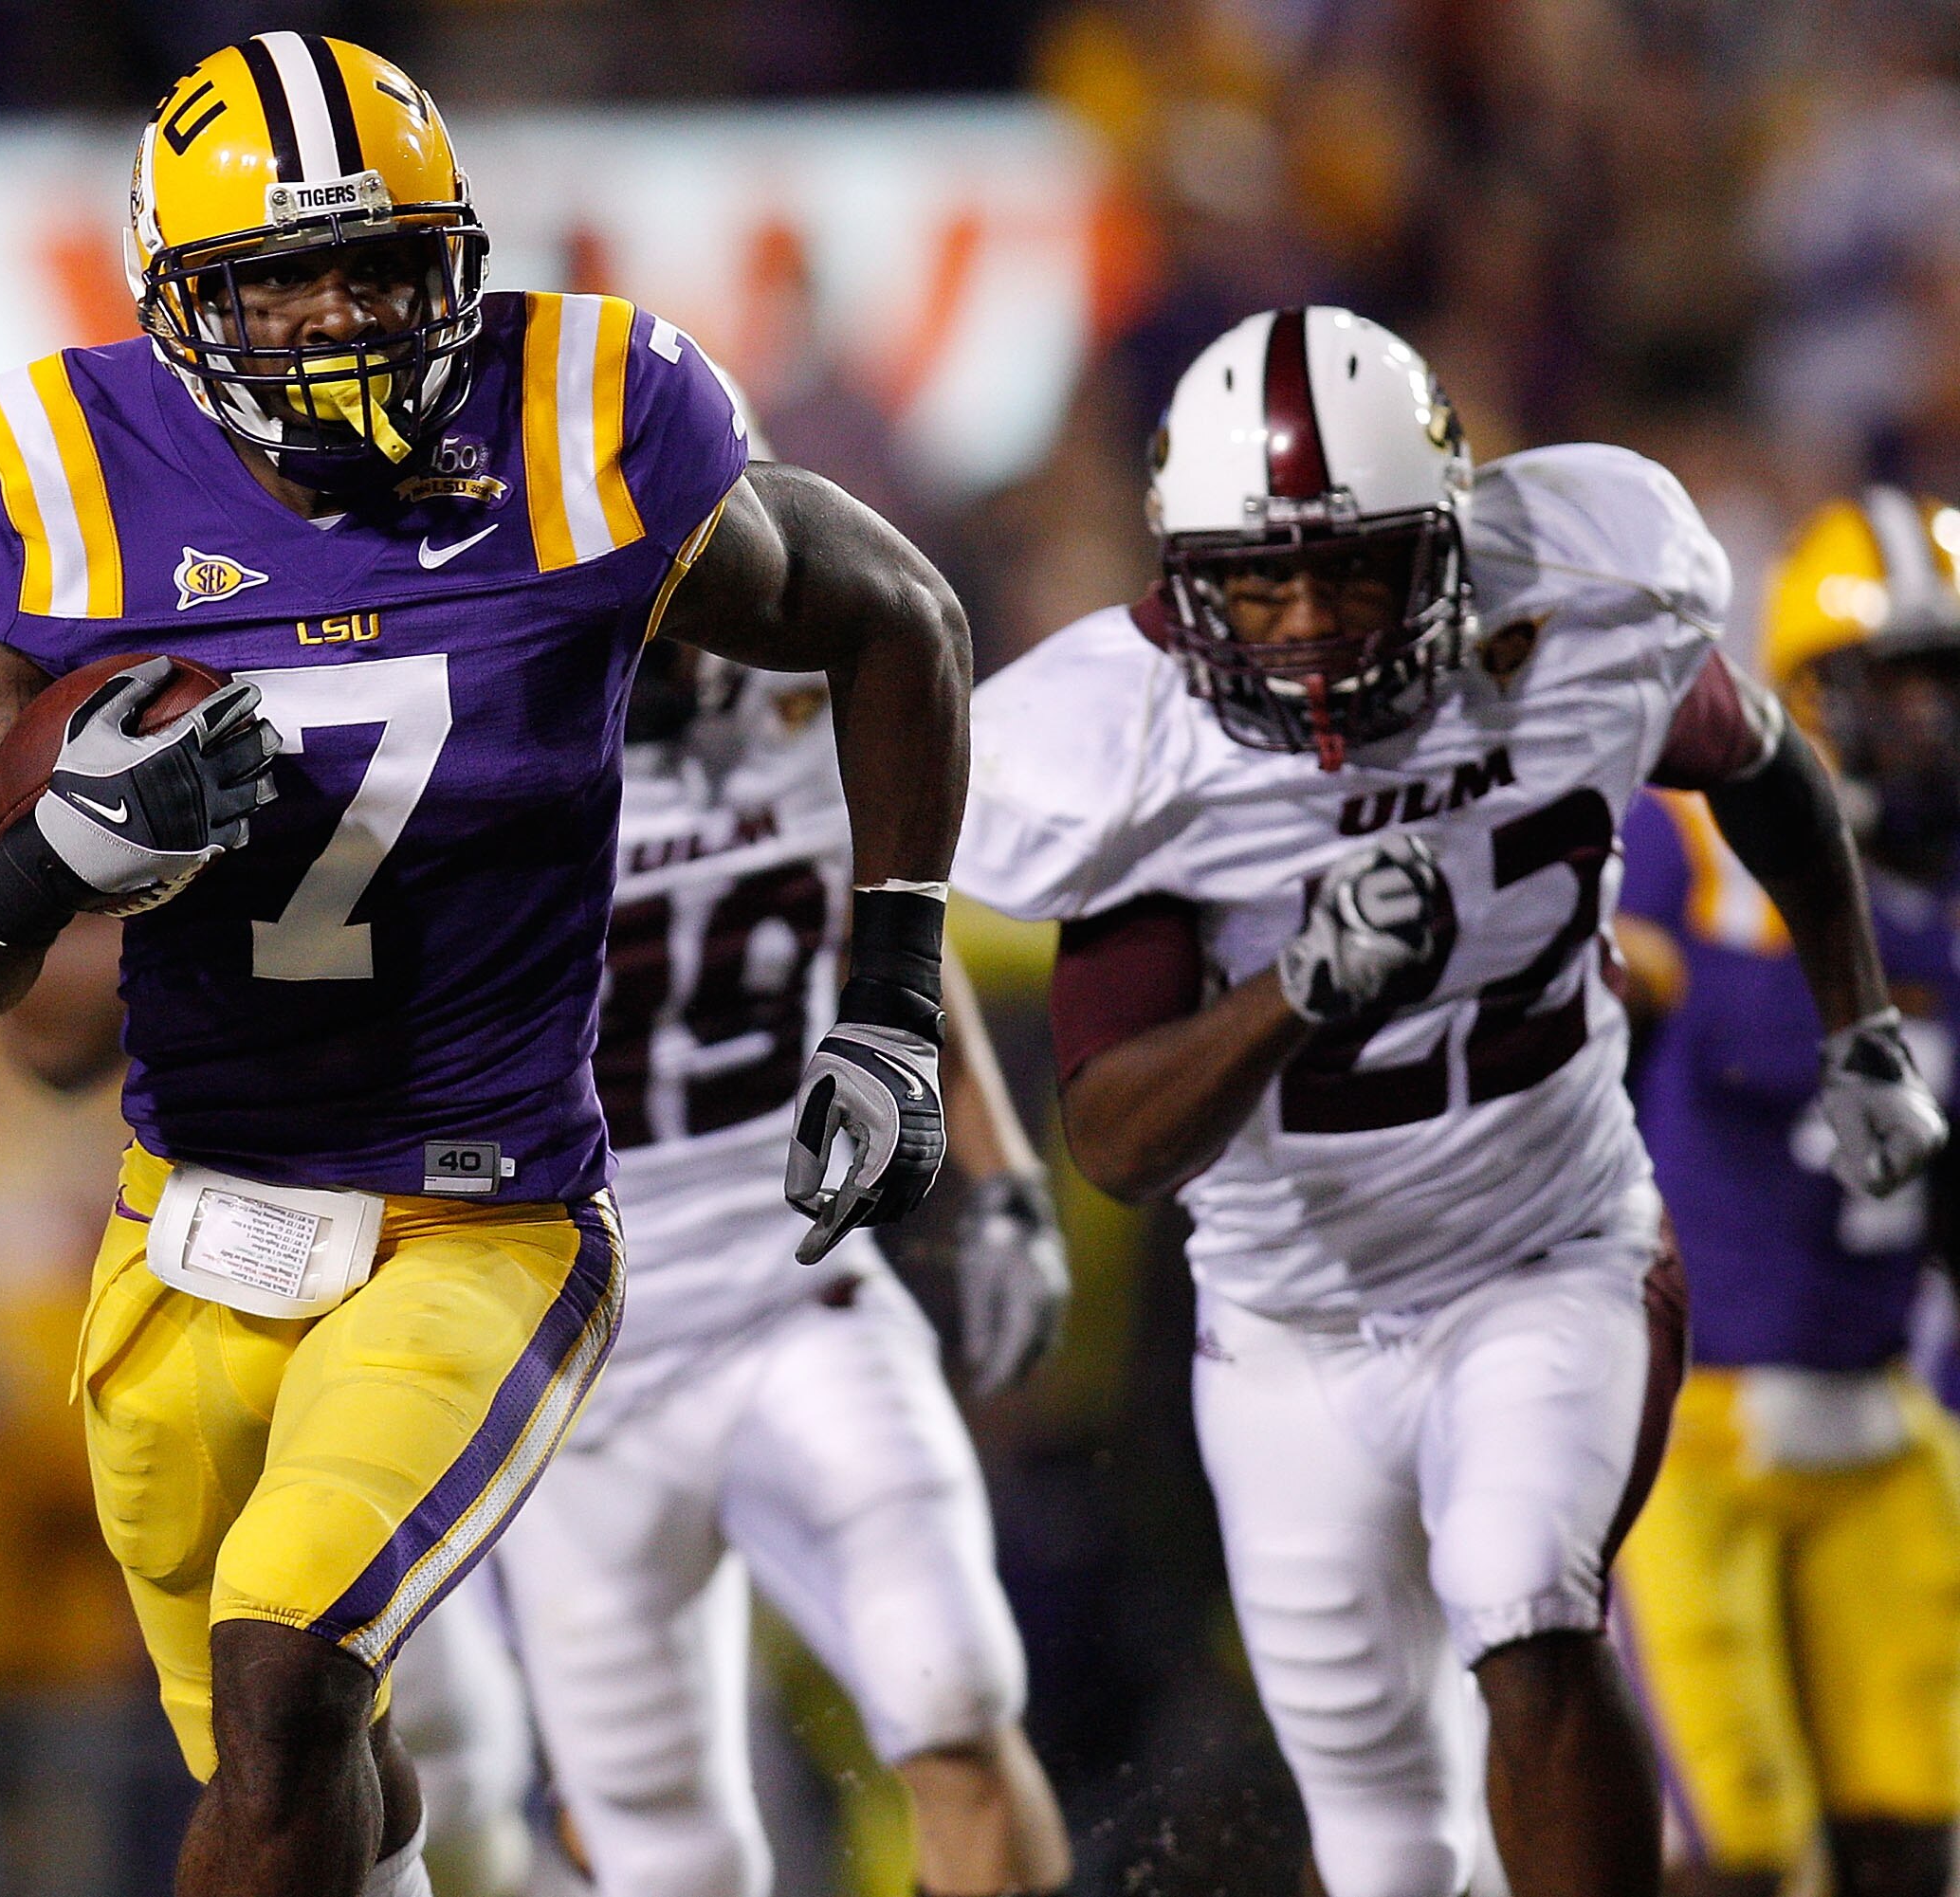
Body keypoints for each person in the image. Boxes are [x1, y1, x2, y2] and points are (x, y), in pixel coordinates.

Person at [0, 34, 975, 1897]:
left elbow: (901, 619)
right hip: (187, 1228)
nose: (338, 318)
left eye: (380, 263)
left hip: (481, 1214)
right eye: (279, 277)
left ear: (455, 257)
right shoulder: (63, 477)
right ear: (175, 303)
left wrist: (893, 997)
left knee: (289, 1674)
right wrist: (61, 854)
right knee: (310, 1766)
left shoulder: (582, 420)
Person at [947, 305, 1948, 1897]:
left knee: (1522, 1597)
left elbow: (1767, 768)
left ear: (1449, 535)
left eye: (1348, 570)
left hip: (1550, 1251)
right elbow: (1117, 1138)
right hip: (1288, 1328)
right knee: (1386, 1835)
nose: (1303, 624)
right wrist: (1294, 992)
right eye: (1256, 581)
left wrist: (1859, 1026)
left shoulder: (1578, 611)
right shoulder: (1126, 751)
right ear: (1183, 583)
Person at [485, 643, 1072, 1897]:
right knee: (664, 1854)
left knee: (957, 1688)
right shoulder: (460, 730)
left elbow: (899, 938)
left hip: (800, 1293)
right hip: (576, 1361)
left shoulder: (820, 680)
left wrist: (1005, 1177)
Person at [1611, 487, 1960, 1897]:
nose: (1932, 724)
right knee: (1740, 1860)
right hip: (1697, 1440)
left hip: (1887, 1413)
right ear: (1813, 697)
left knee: (1913, 1840)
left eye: (1952, 686)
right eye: (1901, 685)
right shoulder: (1692, 848)